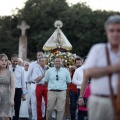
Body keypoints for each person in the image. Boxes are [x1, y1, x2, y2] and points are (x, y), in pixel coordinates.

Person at [84, 15, 120, 120]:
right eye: (112, 31)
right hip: (99, 102)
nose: (115, 34)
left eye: (118, 30)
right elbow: (88, 72)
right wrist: (114, 68)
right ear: (106, 33)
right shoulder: (98, 49)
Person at [27, 51, 45, 120]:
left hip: (43, 85)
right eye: (38, 55)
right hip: (34, 85)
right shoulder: (32, 64)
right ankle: (34, 117)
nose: (40, 55)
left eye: (41, 54)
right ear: (37, 56)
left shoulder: (45, 64)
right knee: (34, 102)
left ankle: (42, 115)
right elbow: (28, 74)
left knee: (43, 102)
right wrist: (27, 83)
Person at [9, 54, 26, 120]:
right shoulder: (8, 68)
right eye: (14, 61)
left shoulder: (21, 69)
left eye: (17, 61)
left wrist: (24, 94)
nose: (15, 63)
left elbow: (23, 82)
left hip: (18, 90)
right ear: (11, 60)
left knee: (17, 107)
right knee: (9, 106)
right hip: (9, 90)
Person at [0, 54, 15, 120]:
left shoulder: (10, 73)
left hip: (6, 98)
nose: (4, 62)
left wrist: (12, 98)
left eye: (6, 60)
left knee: (5, 117)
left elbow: (12, 87)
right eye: (2, 60)